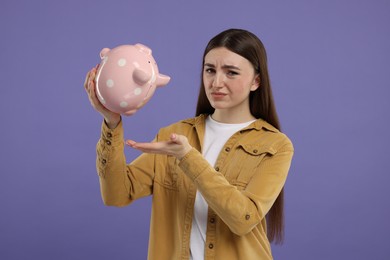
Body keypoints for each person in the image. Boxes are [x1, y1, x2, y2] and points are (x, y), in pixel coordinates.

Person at [84, 28, 294, 260]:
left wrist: (187, 157)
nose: (216, 82)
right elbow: (116, 194)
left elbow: (243, 219)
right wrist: (111, 122)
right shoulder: (175, 134)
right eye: (210, 70)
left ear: (256, 81)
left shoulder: (275, 145)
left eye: (231, 72)